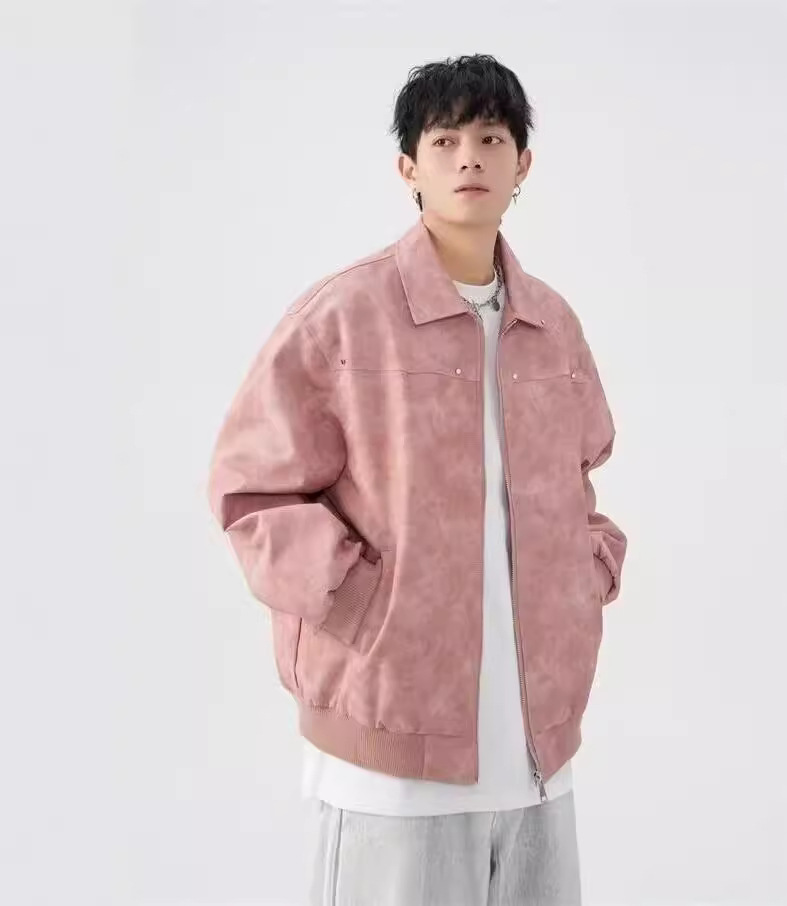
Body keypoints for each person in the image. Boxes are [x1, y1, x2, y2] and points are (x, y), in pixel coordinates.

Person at [206, 53, 628, 905]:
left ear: (523, 164)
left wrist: (584, 576)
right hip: (391, 758)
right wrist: (360, 601)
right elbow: (251, 490)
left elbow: (581, 481)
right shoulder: (345, 315)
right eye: (445, 140)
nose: (470, 157)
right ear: (409, 168)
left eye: (491, 138)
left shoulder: (553, 326)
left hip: (538, 755)